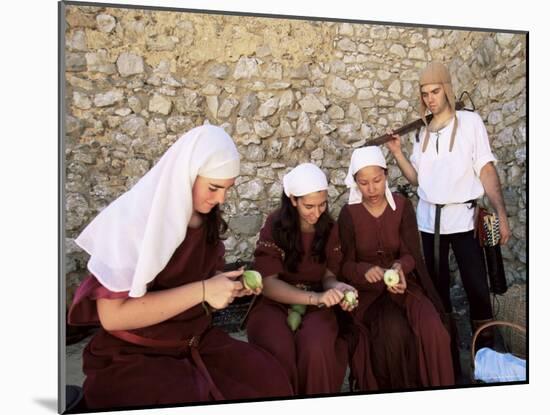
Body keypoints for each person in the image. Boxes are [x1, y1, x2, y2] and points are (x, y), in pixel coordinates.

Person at [68, 125, 293, 410]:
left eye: (227, 189)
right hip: (137, 353)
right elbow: (112, 317)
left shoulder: (205, 218)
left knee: (268, 379)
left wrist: (224, 284)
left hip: (194, 341)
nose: (221, 199)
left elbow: (190, 280)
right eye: (213, 187)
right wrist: (202, 290)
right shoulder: (131, 223)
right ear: (185, 175)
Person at [385, 61, 511, 363]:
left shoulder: (470, 123)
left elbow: (485, 168)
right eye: (425, 93)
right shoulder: (421, 133)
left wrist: (501, 214)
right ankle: (447, 361)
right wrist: (398, 153)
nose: (430, 98)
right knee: (438, 293)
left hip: (464, 221)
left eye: (435, 91)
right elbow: (417, 180)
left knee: (478, 290)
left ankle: (487, 359)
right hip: (431, 225)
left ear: (448, 90)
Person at [337, 146, 454, 391]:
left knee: (435, 330)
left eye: (377, 181)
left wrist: (400, 266)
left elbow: (412, 254)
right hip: (368, 294)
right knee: (392, 333)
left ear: (386, 175)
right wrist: (363, 270)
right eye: (364, 183)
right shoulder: (349, 214)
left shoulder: (401, 206)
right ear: (355, 183)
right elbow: (345, 265)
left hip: (404, 286)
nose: (371, 189)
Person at [245, 163, 354, 395]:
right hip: (276, 303)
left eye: (322, 204)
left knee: (317, 347)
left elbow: (328, 276)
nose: (317, 212)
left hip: (319, 302)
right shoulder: (275, 226)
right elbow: (268, 283)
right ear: (293, 200)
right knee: (278, 346)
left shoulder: (329, 228)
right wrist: (314, 298)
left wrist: (338, 287)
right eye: (309, 206)